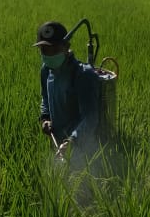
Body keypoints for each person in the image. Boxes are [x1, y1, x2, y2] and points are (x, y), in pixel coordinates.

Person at [35, 20, 103, 163]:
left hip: (82, 146)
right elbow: (45, 98)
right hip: (59, 143)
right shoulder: (46, 69)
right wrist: (45, 117)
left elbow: (90, 117)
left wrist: (73, 140)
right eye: (44, 50)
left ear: (66, 47)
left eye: (54, 49)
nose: (48, 55)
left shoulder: (83, 75)